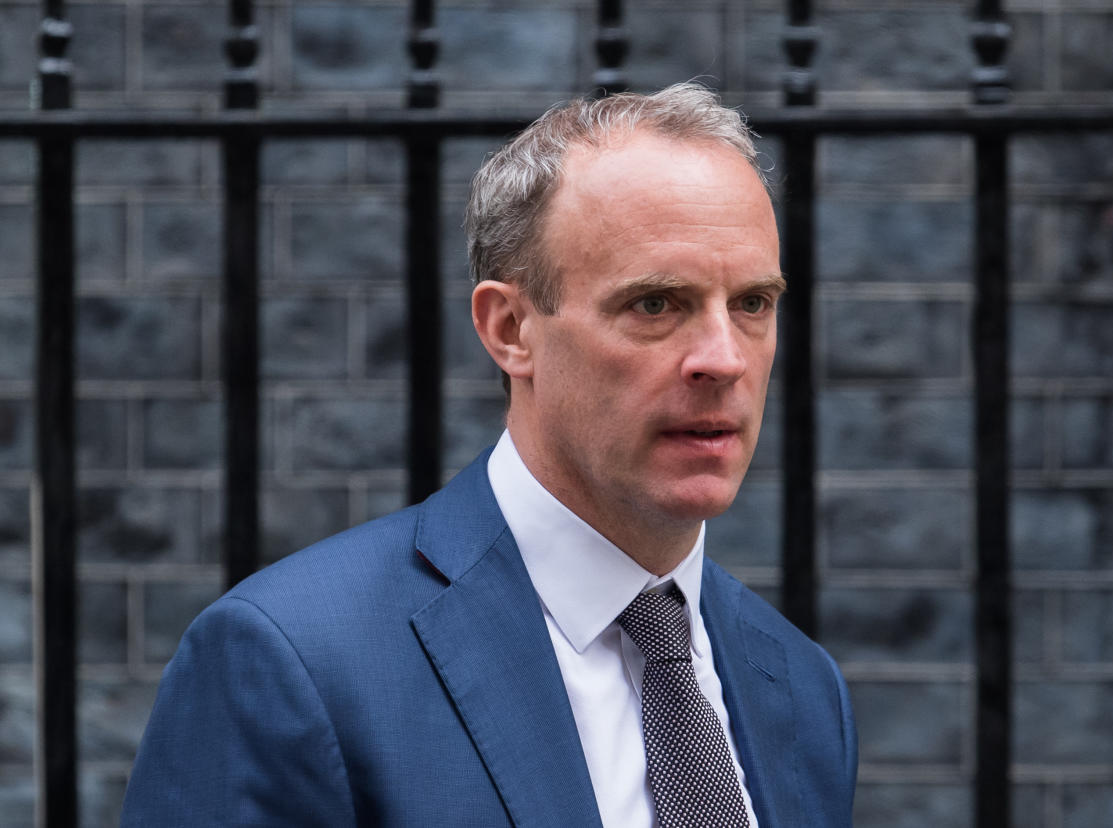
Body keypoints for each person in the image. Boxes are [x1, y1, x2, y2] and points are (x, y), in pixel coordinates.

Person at [121, 82, 857, 827]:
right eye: (655, 304)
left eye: (752, 304)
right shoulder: (293, 661)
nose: (724, 359)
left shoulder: (799, 685)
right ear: (509, 328)